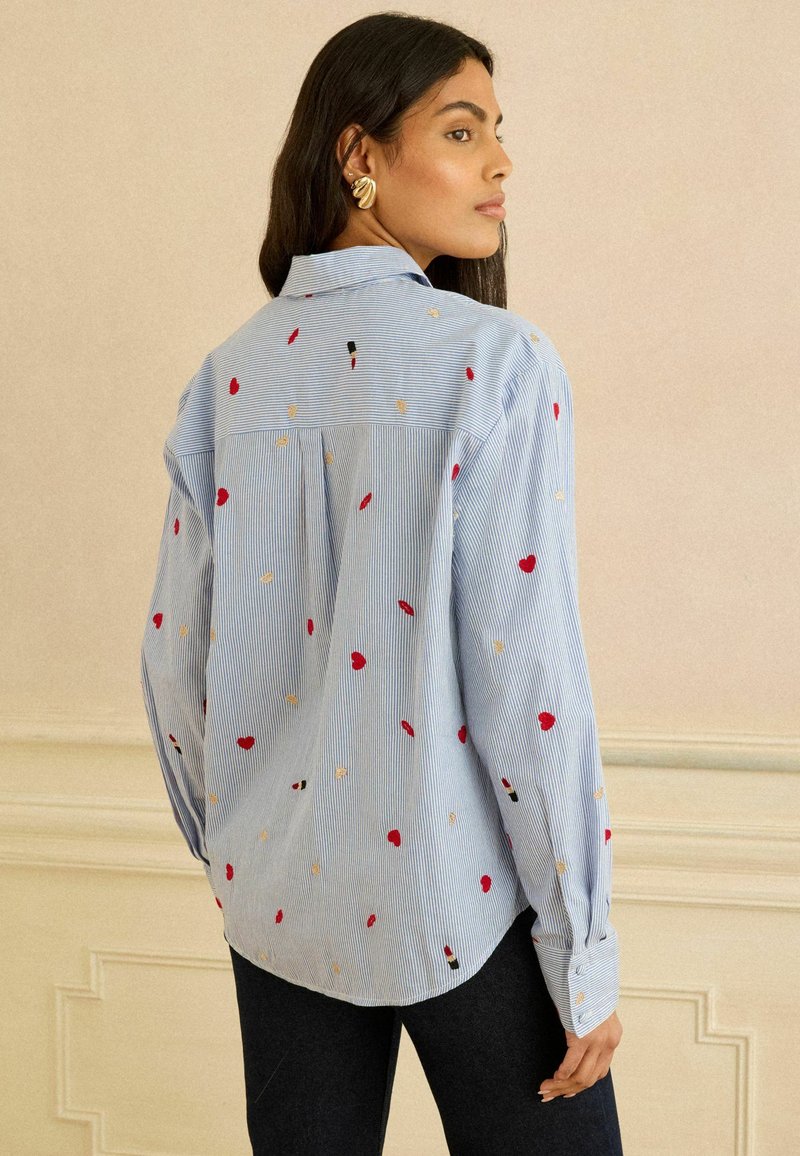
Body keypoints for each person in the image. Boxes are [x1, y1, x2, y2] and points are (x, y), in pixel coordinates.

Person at [140, 12, 624, 1155]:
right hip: (462, 899)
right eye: (461, 130)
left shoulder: (228, 377)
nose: (500, 162)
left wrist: (237, 850)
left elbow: (174, 663)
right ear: (358, 153)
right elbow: (527, 681)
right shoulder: (495, 361)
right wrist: (581, 947)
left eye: (497, 130)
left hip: (279, 905)